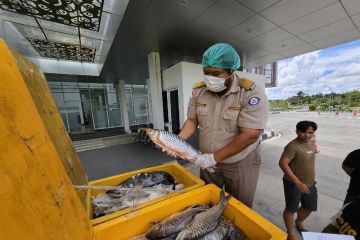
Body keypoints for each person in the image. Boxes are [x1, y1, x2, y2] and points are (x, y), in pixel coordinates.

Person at [177, 43, 269, 208]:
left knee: (239, 207)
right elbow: (192, 120)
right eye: (206, 72)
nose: (209, 77)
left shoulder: (250, 92)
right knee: (209, 202)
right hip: (206, 160)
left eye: (216, 73)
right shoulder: (199, 91)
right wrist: (176, 142)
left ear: (231, 71)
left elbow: (250, 134)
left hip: (239, 162)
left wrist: (214, 158)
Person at [278, 121, 318, 240]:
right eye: (303, 132)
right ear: (297, 132)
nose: (307, 135)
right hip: (293, 183)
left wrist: (315, 148)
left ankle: (299, 222)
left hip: (310, 183)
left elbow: (312, 146)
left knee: (309, 207)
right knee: (291, 209)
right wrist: (297, 182)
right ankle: (290, 232)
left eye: (310, 132)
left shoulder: (311, 141)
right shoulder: (292, 146)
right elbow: (282, 163)